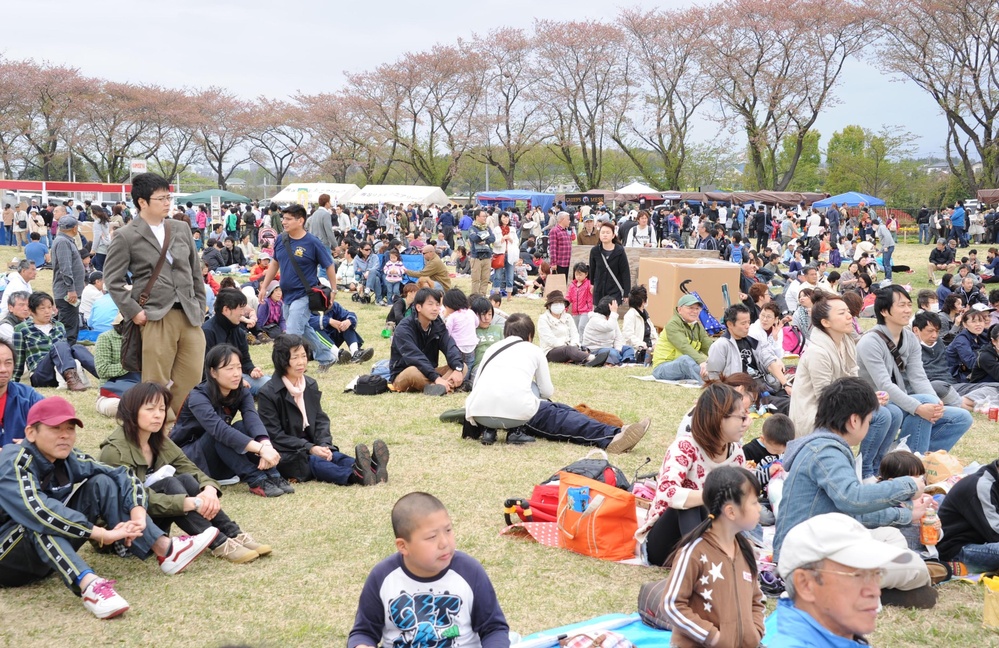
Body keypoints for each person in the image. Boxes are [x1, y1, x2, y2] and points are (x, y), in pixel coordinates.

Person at [0, 397, 218, 619]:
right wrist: (103, 533)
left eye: (70, 428)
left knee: (101, 483)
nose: (65, 435)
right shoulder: (13, 462)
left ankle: (166, 550)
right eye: (55, 428)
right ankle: (90, 585)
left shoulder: (65, 456)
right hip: (7, 561)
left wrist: (138, 513)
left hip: (45, 558)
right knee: (40, 522)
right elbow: (39, 511)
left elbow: (120, 473)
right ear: (31, 433)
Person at [774, 377, 936, 607]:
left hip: (820, 544)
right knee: (916, 568)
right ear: (853, 420)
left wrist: (907, 514)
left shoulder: (822, 445)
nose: (869, 426)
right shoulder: (826, 451)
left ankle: (875, 586)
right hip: (806, 560)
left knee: (891, 536)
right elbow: (854, 499)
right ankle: (861, 589)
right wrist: (908, 485)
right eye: (869, 421)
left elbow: (854, 513)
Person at [98, 382, 272, 564]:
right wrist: (189, 503)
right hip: (122, 533)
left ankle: (234, 534)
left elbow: (188, 467)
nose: (158, 415)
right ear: (131, 411)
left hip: (152, 523)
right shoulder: (114, 451)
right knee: (169, 485)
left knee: (186, 479)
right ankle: (219, 543)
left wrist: (209, 489)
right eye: (150, 409)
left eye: (162, 409)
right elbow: (130, 499)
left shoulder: (157, 440)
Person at [347, 492, 509, 648]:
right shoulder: (382, 577)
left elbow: (494, 629)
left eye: (448, 530)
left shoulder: (470, 571)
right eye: (432, 537)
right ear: (403, 546)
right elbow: (364, 632)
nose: (444, 542)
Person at [464, 312, 650, 448]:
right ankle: (613, 436)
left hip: (479, 414)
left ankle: (618, 429)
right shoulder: (533, 350)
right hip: (516, 414)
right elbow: (546, 392)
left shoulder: (492, 349)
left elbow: (477, 384)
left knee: (559, 408)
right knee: (560, 416)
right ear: (530, 336)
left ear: (506, 333)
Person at [104, 172, 206, 416]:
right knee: (156, 383)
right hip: (155, 315)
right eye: (161, 198)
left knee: (192, 378)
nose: (167, 203)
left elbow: (195, 272)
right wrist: (134, 312)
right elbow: (113, 280)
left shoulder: (180, 228)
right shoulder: (126, 235)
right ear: (142, 202)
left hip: (189, 313)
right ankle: (158, 428)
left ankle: (179, 427)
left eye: (168, 197)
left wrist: (201, 306)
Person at [788, 293, 900, 479]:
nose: (850, 316)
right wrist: (866, 402)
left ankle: (877, 467)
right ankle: (864, 472)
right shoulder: (818, 352)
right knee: (881, 416)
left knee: (894, 412)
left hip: (839, 404)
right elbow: (825, 397)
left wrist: (872, 396)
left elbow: (852, 380)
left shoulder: (845, 342)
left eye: (848, 311)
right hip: (816, 414)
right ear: (826, 322)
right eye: (842, 313)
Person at [637, 383, 750, 566]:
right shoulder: (685, 447)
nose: (746, 423)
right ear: (720, 418)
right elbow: (667, 493)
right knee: (688, 503)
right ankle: (702, 563)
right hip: (664, 544)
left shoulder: (736, 454)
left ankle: (711, 560)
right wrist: (712, 495)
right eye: (742, 417)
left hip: (711, 532)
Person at [767, 513, 920, 647]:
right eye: (858, 575)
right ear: (806, 584)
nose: (875, 591)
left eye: (876, 574)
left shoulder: (840, 637)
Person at [258, 334, 388, 487]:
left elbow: (320, 419)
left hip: (312, 443)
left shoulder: (310, 384)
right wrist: (310, 448)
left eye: (303, 356)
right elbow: (275, 435)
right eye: (294, 358)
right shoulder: (268, 393)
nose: (301, 362)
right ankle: (356, 475)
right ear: (282, 360)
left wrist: (324, 444)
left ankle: (372, 468)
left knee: (333, 456)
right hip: (288, 451)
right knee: (315, 462)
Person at [856, 285, 972, 454]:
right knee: (924, 405)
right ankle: (910, 465)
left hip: (902, 400)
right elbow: (884, 385)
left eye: (909, 305)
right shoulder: (870, 342)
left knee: (961, 417)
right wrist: (920, 407)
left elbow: (918, 377)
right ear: (884, 311)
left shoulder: (909, 337)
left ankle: (907, 455)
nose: (907, 310)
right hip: (876, 403)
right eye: (901, 305)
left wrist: (934, 403)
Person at [169, 345, 292, 499]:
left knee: (242, 426)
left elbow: (252, 418)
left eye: (238, 367)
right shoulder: (198, 397)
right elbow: (219, 430)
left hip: (222, 458)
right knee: (221, 433)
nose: (236, 374)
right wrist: (260, 449)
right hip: (193, 461)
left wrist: (265, 444)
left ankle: (273, 474)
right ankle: (255, 479)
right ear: (213, 372)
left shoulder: (240, 391)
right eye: (229, 369)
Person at [662, 466, 765, 648]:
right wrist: (712, 637)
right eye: (754, 502)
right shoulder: (694, 552)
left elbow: (756, 600)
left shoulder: (745, 550)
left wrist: (754, 633)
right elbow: (671, 605)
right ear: (731, 512)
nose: (760, 509)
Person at [256, 204, 338, 372]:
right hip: (287, 294)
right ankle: (326, 356)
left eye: (288, 219)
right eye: (283, 218)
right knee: (305, 330)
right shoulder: (281, 239)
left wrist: (334, 290)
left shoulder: (313, 242)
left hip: (305, 295)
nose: (284, 222)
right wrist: (264, 286)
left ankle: (292, 366)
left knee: (293, 331)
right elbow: (275, 263)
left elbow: (329, 265)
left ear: (300, 220)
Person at [707, 304, 792, 413]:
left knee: (795, 396)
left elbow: (769, 361)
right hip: (746, 392)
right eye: (743, 323)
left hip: (765, 385)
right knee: (788, 405)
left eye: (748, 322)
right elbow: (714, 377)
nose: (747, 326)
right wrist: (727, 399)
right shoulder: (721, 345)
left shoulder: (752, 340)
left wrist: (786, 385)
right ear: (730, 324)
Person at [389, 288, 466, 395]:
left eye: (438, 304)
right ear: (418, 307)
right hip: (405, 373)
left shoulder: (438, 325)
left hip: (430, 371)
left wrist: (458, 368)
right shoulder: (404, 328)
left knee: (463, 367)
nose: (436, 309)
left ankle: (438, 387)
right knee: (413, 371)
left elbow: (450, 346)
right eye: (430, 304)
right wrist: (436, 378)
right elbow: (414, 357)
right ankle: (443, 385)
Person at [13, 292, 96, 392]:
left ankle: (106, 375)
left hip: (60, 371)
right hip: (40, 375)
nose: (47, 311)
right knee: (59, 345)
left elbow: (66, 353)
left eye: (49, 307)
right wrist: (13, 383)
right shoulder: (21, 329)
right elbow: (18, 359)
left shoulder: (59, 326)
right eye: (42, 308)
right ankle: (72, 379)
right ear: (31, 311)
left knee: (77, 348)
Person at [202, 289, 269, 395]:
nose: (243, 313)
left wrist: (252, 370)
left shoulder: (239, 331)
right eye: (240, 309)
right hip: (218, 381)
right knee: (271, 386)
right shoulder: (208, 332)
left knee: (276, 381)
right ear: (226, 309)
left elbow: (245, 360)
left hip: (238, 375)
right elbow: (206, 369)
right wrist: (236, 381)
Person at [650, 294, 713, 383]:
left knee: (714, 361)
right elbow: (684, 346)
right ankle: (711, 383)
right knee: (685, 360)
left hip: (684, 369)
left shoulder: (697, 327)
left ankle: (725, 379)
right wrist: (702, 362)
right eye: (690, 308)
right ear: (679, 309)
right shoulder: (673, 324)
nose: (695, 311)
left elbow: (708, 346)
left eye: (697, 308)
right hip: (662, 368)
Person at [537, 291, 607, 366]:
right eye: (556, 303)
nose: (559, 305)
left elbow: (574, 334)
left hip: (570, 347)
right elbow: (550, 340)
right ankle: (592, 358)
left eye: (561, 303)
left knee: (579, 348)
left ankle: (585, 360)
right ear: (549, 306)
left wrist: (574, 344)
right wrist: (567, 345)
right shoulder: (543, 319)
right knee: (569, 350)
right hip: (551, 351)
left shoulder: (568, 317)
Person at [50, 216, 86, 345]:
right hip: (67, 293)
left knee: (72, 324)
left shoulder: (66, 240)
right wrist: (71, 289)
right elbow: (65, 268)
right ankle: (66, 358)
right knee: (68, 328)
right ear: (74, 228)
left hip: (70, 292)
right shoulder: (63, 242)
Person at [310, 299, 375, 365]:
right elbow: (308, 322)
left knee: (345, 324)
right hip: (313, 347)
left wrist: (349, 321)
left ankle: (355, 353)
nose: (331, 299)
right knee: (314, 330)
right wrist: (329, 321)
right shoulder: (308, 306)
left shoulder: (334, 306)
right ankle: (337, 355)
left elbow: (349, 314)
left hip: (331, 341)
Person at [581, 296, 635, 365]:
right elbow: (609, 326)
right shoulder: (595, 319)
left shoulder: (612, 319)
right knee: (611, 353)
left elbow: (618, 336)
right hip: (596, 350)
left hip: (610, 348)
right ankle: (619, 360)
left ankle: (625, 361)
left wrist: (618, 349)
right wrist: (613, 313)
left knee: (628, 348)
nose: (616, 310)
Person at [588, 221, 630, 305]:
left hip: (614, 290)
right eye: (602, 232)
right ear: (599, 235)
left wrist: (626, 293)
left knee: (612, 315)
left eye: (608, 233)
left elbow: (625, 272)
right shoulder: (595, 251)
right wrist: (592, 284)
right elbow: (592, 270)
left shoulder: (619, 251)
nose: (605, 235)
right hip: (599, 289)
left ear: (613, 235)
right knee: (599, 315)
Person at [621, 285, 657, 364]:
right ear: (643, 301)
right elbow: (628, 335)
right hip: (639, 351)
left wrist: (655, 344)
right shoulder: (630, 315)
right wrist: (643, 345)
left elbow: (653, 333)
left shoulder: (645, 315)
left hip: (650, 349)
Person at [467, 209, 496, 296]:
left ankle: (482, 295)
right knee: (476, 279)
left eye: (485, 216)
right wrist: (486, 237)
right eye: (483, 216)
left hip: (487, 257)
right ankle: (475, 297)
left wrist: (484, 239)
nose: (485, 218)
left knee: (485, 279)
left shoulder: (487, 228)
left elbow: (493, 238)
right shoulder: (472, 228)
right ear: (477, 217)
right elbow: (475, 238)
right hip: (476, 257)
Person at [566, 262, 593, 337]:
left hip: (586, 311)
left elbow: (593, 291)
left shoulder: (589, 284)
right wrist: (565, 308)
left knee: (582, 327)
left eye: (580, 275)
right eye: (576, 274)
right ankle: (577, 343)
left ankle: (582, 344)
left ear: (586, 274)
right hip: (575, 312)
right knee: (575, 329)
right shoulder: (572, 285)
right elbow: (568, 297)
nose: (578, 277)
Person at [548, 211, 573, 281]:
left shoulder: (566, 232)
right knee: (558, 284)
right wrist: (553, 263)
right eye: (568, 219)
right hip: (559, 264)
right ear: (562, 219)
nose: (569, 221)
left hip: (567, 263)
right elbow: (553, 249)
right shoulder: (554, 231)